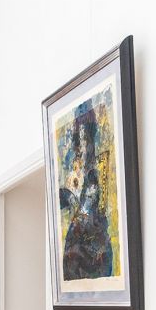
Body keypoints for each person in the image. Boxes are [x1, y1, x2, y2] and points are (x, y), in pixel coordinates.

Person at [59, 111, 114, 280]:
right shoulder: (78, 176)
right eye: (79, 143)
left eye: (85, 142)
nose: (80, 151)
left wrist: (73, 199)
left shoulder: (93, 176)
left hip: (93, 256)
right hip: (81, 253)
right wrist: (69, 195)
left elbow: (87, 215)